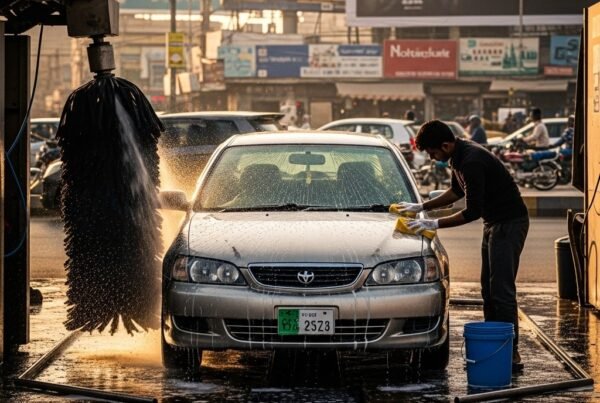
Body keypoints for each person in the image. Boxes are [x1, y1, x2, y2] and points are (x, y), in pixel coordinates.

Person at [398, 120, 529, 373]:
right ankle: (495, 343)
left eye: (433, 152)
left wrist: (433, 224)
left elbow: (471, 212)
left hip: (509, 223)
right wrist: (422, 207)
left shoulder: (471, 161)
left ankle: (510, 352)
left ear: (446, 145)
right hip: (494, 223)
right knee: (488, 290)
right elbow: (456, 191)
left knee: (501, 292)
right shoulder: (457, 158)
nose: (432, 158)